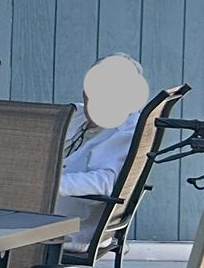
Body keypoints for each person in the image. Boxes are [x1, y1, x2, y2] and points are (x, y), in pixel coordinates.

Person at [61, 53, 156, 211]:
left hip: (66, 226)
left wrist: (49, 183)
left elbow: (105, 183)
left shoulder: (130, 132)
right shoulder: (73, 115)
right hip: (29, 211)